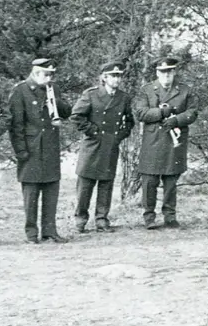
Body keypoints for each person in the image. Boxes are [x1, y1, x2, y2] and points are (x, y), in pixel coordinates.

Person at [8, 58, 71, 244]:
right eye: (46, 74)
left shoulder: (53, 89)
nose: (50, 77)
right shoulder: (20, 91)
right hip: (31, 150)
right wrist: (21, 152)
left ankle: (50, 231)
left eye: (52, 74)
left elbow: (67, 112)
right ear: (35, 73)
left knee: (52, 190)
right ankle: (31, 233)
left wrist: (55, 101)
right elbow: (16, 126)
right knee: (31, 193)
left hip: (50, 148)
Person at [132, 57, 200, 229]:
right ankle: (149, 218)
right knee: (150, 181)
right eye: (162, 72)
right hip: (153, 142)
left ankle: (170, 216)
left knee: (171, 181)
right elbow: (140, 113)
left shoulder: (185, 90)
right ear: (157, 73)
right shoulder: (146, 90)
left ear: (174, 72)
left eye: (169, 71)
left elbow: (193, 112)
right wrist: (162, 112)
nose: (166, 75)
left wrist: (177, 119)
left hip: (174, 142)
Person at [70, 62, 135, 233]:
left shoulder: (124, 98)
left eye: (119, 76)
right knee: (85, 184)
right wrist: (93, 131)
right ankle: (80, 219)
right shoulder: (90, 94)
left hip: (110, 145)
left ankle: (101, 220)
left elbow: (129, 121)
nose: (117, 79)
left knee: (106, 183)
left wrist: (119, 136)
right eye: (113, 76)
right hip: (92, 145)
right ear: (104, 78)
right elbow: (76, 116)